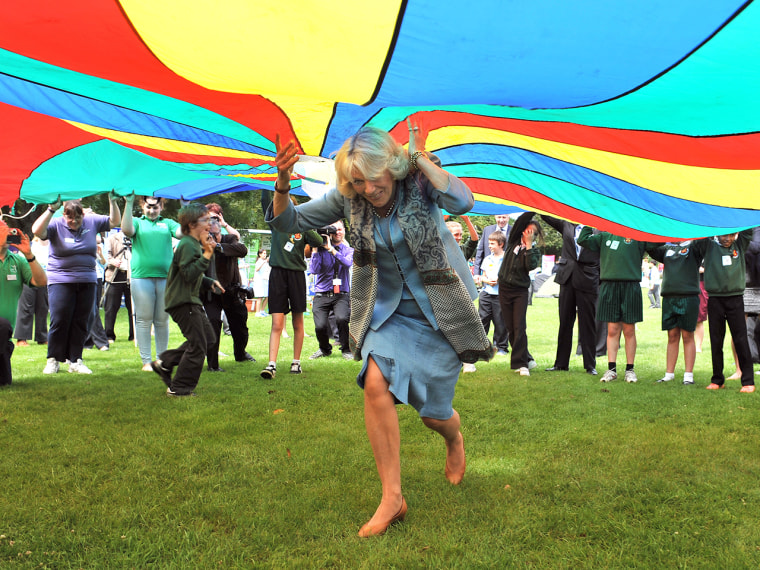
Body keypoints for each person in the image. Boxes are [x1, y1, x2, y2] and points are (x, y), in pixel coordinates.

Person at [267, 122, 493, 537]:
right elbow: (288, 222)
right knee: (374, 381)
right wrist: (282, 185)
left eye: (373, 178)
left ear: (391, 165)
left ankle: (453, 438)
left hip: (442, 308)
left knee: (433, 415)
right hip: (388, 311)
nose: (368, 189)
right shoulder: (350, 197)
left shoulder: (419, 181)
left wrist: (422, 159)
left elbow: (463, 202)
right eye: (357, 182)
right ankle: (393, 497)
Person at [33, 196, 120, 374]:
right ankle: (53, 360)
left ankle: (75, 360)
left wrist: (113, 201)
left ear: (83, 216)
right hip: (60, 280)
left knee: (81, 321)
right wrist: (50, 209)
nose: (74, 221)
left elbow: (114, 221)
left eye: (78, 218)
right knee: (59, 319)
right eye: (70, 218)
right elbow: (37, 231)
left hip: (87, 280)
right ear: (64, 215)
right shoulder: (56, 224)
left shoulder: (91, 221)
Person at [150, 203, 223, 397]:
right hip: (183, 302)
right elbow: (189, 274)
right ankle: (179, 388)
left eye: (211, 219)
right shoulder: (188, 245)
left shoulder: (192, 244)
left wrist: (208, 281)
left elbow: (190, 273)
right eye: (206, 220)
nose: (210, 223)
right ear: (191, 224)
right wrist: (207, 255)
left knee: (207, 339)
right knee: (198, 345)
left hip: (189, 300)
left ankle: (165, 363)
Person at [259, 190, 323, 379]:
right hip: (277, 274)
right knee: (277, 322)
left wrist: (302, 223)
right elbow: (265, 201)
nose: (287, 209)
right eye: (284, 206)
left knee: (298, 320)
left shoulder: (301, 227)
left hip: (296, 275)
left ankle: (296, 362)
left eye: (291, 207)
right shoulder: (276, 224)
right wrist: (266, 183)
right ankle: (271, 365)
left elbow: (318, 241)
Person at [121, 194, 183, 371]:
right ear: (143, 207)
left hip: (165, 278)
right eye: (148, 207)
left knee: (162, 320)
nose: (152, 210)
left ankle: (162, 360)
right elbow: (126, 230)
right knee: (143, 319)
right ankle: (146, 361)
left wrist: (184, 208)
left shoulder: (168, 223)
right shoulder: (138, 222)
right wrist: (129, 202)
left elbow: (182, 232)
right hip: (141, 278)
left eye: (155, 207)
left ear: (161, 207)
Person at [577, 228, 647, 383]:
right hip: (609, 286)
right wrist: (590, 221)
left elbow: (656, 243)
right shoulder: (604, 235)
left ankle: (630, 369)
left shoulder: (638, 235)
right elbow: (582, 240)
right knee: (612, 329)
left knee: (629, 329)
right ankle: (612, 369)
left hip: (631, 286)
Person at [692, 230, 756, 392]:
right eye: (723, 235)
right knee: (716, 340)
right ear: (716, 234)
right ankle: (717, 380)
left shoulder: (739, 245)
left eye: (730, 235)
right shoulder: (709, 246)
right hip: (715, 299)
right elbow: (698, 238)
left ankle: (748, 381)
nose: (727, 238)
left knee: (741, 339)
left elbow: (748, 230)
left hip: (735, 299)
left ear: (736, 234)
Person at [541, 216, 601, 375]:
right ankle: (561, 363)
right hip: (567, 278)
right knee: (565, 322)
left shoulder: (598, 226)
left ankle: (590, 365)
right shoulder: (566, 224)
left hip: (588, 279)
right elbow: (545, 214)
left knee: (587, 324)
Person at [202, 207, 254, 372]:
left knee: (240, 325)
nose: (214, 222)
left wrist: (218, 246)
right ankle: (213, 364)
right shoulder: (200, 241)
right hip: (211, 292)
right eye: (210, 219)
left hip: (231, 291)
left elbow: (242, 250)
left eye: (216, 219)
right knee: (213, 324)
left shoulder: (229, 239)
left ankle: (240, 354)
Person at [646, 240, 703, 385]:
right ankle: (669, 374)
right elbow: (649, 245)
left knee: (687, 335)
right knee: (672, 335)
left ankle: (688, 376)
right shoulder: (666, 248)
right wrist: (663, 232)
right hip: (669, 298)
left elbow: (704, 241)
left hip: (688, 297)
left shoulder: (694, 247)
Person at [0, 220, 47, 385]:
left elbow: (41, 282)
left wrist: (28, 255)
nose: (8, 232)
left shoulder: (17, 261)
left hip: (4, 334)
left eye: (8, 228)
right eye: (2, 229)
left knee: (5, 383)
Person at [497, 213, 543, 376]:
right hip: (504, 288)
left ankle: (521, 364)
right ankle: (527, 358)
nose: (527, 234)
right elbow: (520, 222)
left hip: (520, 291)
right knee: (510, 327)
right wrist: (533, 208)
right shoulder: (513, 241)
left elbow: (529, 266)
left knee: (519, 326)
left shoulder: (534, 251)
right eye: (527, 230)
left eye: (532, 232)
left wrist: (529, 246)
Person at [308, 219, 354, 360]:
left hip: (341, 293)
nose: (337, 232)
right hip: (322, 293)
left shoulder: (349, 250)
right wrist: (315, 248)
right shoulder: (320, 250)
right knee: (320, 326)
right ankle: (324, 349)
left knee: (341, 319)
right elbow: (314, 270)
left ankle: (346, 349)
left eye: (340, 229)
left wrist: (332, 250)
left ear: (344, 231)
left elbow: (347, 263)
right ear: (329, 233)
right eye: (334, 230)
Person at [477, 231, 509, 358]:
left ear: (501, 244)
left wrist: (499, 280)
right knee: (482, 319)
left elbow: (509, 275)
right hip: (486, 294)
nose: (489, 246)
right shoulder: (487, 259)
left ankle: (501, 347)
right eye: (489, 243)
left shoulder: (507, 259)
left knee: (500, 321)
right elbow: (483, 276)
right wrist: (487, 281)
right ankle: (481, 348)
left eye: (492, 243)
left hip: (500, 295)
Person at [14, 236, 49, 347]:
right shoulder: (31, 246)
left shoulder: (52, 247)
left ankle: (42, 337)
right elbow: (20, 261)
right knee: (26, 308)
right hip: (28, 279)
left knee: (43, 308)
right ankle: (21, 338)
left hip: (44, 279)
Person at [103, 229, 134, 343]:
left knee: (133, 308)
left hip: (132, 276)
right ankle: (109, 335)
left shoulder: (136, 237)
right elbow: (106, 255)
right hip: (115, 276)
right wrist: (113, 261)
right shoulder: (112, 238)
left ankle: (134, 335)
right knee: (111, 307)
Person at [253, 249, 270, 315]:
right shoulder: (259, 262)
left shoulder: (265, 262)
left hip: (265, 280)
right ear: (260, 254)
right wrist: (264, 262)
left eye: (265, 253)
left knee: (267, 296)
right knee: (260, 297)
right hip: (259, 281)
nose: (265, 255)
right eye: (263, 253)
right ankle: (257, 312)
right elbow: (257, 269)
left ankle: (262, 310)